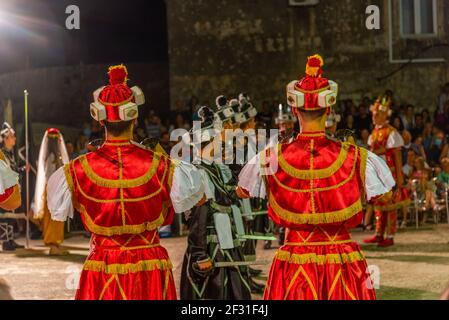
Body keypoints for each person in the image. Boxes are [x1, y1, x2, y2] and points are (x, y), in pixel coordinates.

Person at [237, 54, 394, 300]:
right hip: (341, 261)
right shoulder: (357, 156)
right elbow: (387, 194)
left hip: (295, 262)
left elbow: (241, 191)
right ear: (329, 108)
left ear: (293, 109)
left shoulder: (269, 158)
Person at [46, 64, 205, 300]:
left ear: (100, 120)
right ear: (135, 116)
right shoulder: (162, 165)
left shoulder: (77, 169)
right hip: (148, 266)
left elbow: (62, 210)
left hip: (103, 265)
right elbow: (199, 198)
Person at [180, 105, 251, 300]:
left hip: (226, 239)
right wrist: (199, 253)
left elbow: (223, 194)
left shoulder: (216, 167)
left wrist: (236, 192)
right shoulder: (198, 172)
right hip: (210, 245)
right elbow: (197, 216)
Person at [363, 96, 409, 247]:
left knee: (391, 207)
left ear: (385, 115)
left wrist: (400, 177)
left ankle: (389, 236)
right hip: (377, 175)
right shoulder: (374, 133)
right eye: (373, 114)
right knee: (379, 206)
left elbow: (396, 155)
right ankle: (378, 234)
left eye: (377, 114)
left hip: (390, 174)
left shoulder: (391, 132)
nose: (374, 116)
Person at [31, 128, 70, 255]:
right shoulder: (51, 157)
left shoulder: (54, 157)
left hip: (55, 190)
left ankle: (56, 244)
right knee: (53, 219)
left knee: (57, 220)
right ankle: (53, 245)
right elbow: (49, 176)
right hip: (53, 191)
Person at [0, 123, 25, 251]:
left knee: (9, 216)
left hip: (10, 188)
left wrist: (21, 169)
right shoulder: (2, 154)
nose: (14, 139)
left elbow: (13, 170)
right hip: (4, 189)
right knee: (5, 215)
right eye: (12, 137)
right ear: (5, 139)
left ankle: (9, 240)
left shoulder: (9, 154)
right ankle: (5, 242)